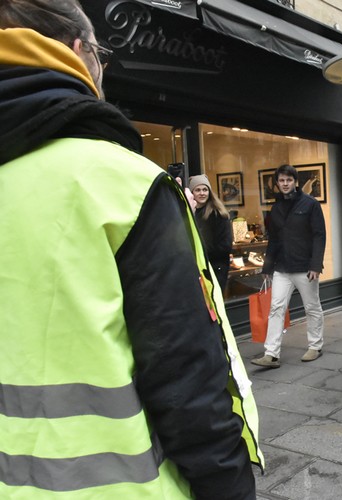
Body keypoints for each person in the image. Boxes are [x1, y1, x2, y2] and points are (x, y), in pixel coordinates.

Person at [0, 2, 262, 497]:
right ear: (80, 51)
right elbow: (185, 377)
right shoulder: (122, 181)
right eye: (101, 54)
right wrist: (229, 484)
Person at [251, 164, 326, 368]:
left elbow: (319, 235)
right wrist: (267, 267)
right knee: (276, 308)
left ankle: (315, 346)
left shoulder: (310, 204)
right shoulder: (276, 208)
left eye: (289, 180)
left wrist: (316, 265)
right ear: (277, 183)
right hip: (282, 268)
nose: (285, 184)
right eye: (282, 180)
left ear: (295, 182)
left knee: (312, 307)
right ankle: (271, 354)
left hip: (305, 267)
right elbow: (274, 239)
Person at [189, 174, 233, 290]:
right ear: (192, 193)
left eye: (205, 189)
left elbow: (225, 245)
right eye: (198, 190)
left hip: (215, 268)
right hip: (195, 269)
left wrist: (201, 252)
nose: (202, 193)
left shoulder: (218, 214)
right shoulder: (189, 214)